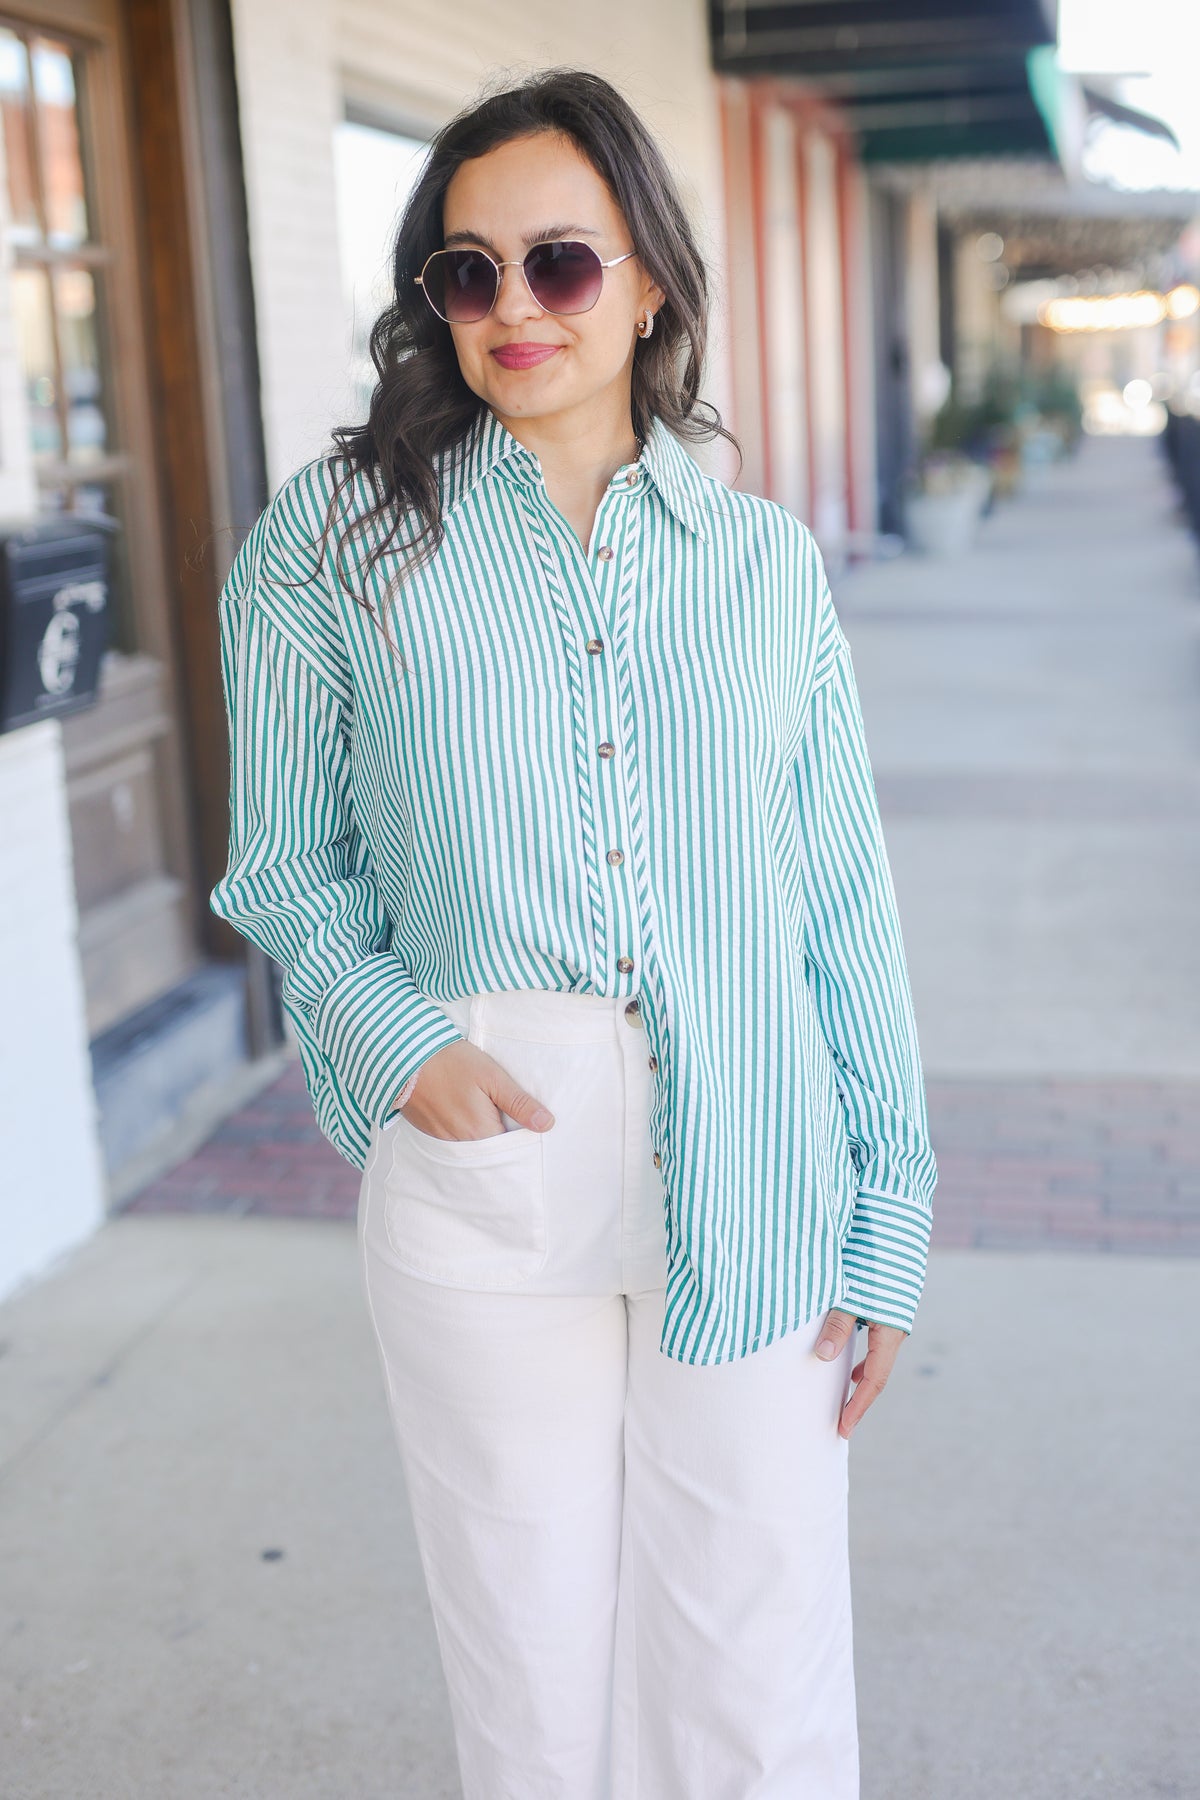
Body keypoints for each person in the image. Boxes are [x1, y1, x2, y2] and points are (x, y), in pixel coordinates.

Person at [209, 64, 937, 1800]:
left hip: (759, 1147)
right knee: (530, 1669)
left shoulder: (762, 567)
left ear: (653, 278)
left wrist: (892, 1204)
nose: (513, 308)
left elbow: (840, 894)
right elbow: (285, 863)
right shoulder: (332, 543)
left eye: (560, 262)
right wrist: (404, 1047)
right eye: (467, 272)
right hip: (486, 1144)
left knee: (757, 1661)